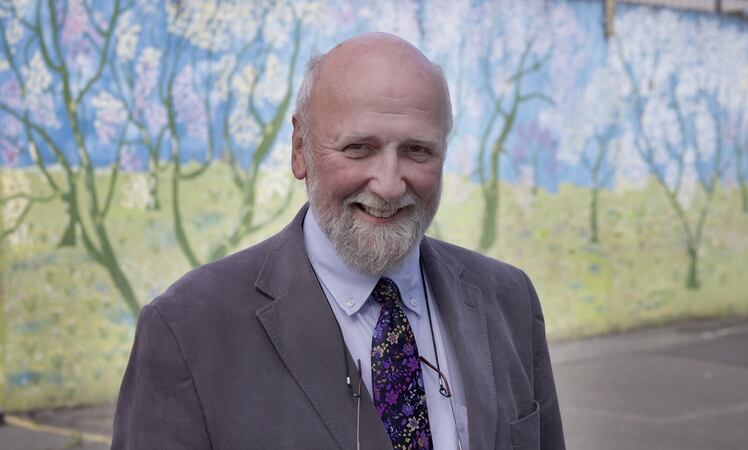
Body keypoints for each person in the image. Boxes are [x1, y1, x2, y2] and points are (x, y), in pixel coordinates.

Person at [112, 32, 564, 450]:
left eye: (417, 151)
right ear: (299, 149)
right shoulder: (188, 330)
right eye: (358, 148)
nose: (389, 185)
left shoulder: (508, 300)